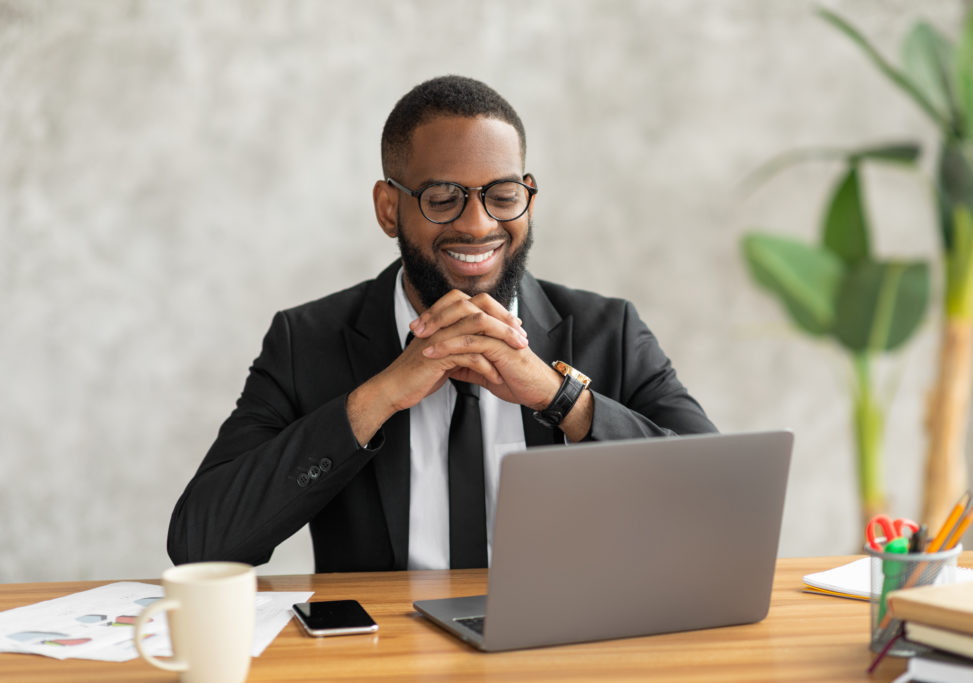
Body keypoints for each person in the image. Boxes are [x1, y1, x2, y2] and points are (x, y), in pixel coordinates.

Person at [167, 75, 716, 573]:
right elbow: (201, 542)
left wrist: (561, 397)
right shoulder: (307, 341)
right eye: (442, 199)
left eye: (503, 197)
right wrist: (376, 399)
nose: (478, 226)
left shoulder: (608, 331)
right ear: (389, 208)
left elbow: (720, 504)